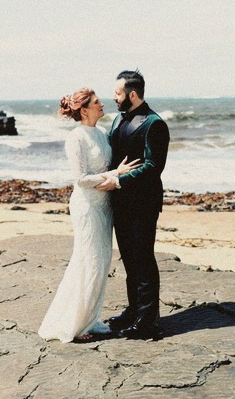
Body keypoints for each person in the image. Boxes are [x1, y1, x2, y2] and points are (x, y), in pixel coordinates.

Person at [38, 88, 141, 343]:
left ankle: (90, 318)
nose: (102, 104)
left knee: (101, 262)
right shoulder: (76, 138)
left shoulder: (103, 133)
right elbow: (80, 179)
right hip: (86, 207)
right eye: (97, 102)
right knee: (88, 260)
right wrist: (114, 174)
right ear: (84, 109)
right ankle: (75, 325)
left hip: (105, 205)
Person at [96, 70, 170, 340]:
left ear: (133, 94)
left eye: (117, 93)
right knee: (129, 259)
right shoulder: (117, 120)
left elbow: (153, 167)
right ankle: (134, 311)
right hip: (121, 203)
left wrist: (118, 182)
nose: (114, 98)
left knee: (144, 261)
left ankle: (148, 322)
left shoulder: (154, 124)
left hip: (144, 204)